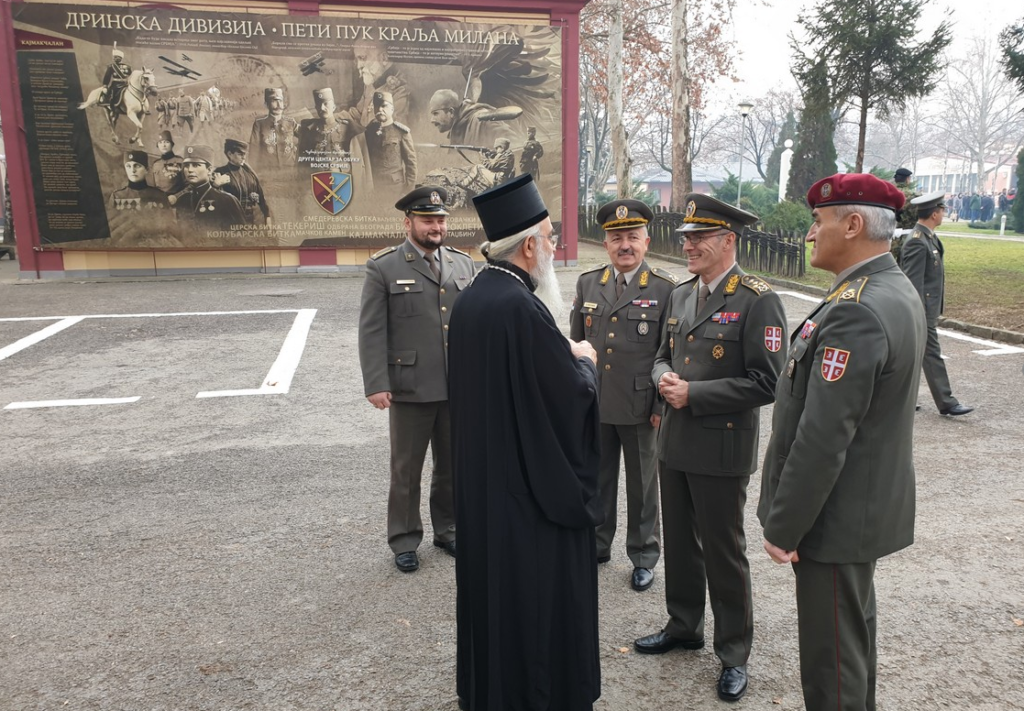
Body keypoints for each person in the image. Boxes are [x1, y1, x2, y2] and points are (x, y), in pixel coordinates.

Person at [757, 172, 926, 711]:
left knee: (832, 669)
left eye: (818, 221)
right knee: (851, 647)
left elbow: (823, 437)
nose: (809, 234)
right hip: (856, 511)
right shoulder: (889, 288)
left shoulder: (857, 308)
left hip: (833, 518)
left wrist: (784, 525)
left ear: (852, 225)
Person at [448, 173, 602, 711]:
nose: (554, 250)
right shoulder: (521, 309)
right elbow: (563, 402)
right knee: (533, 607)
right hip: (528, 505)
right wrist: (583, 365)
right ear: (530, 245)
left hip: (486, 490)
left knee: (495, 605)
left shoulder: (472, 299)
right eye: (551, 239)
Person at [634, 194, 786, 703]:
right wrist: (664, 378)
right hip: (674, 441)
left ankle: (735, 653)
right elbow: (659, 356)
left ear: (728, 241)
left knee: (724, 552)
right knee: (678, 543)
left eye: (699, 237)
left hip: (721, 449)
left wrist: (694, 393)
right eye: (686, 238)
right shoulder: (680, 294)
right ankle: (683, 626)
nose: (689, 245)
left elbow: (767, 382)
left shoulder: (757, 298)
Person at [357, 185, 475, 573]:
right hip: (409, 386)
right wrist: (376, 382)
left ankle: (449, 529)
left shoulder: (463, 264)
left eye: (440, 219)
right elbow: (372, 330)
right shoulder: (384, 266)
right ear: (409, 222)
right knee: (407, 468)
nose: (435, 226)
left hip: (457, 385)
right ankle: (405, 538)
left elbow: (475, 324)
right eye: (427, 219)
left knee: (453, 466)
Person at [569, 199, 679, 592]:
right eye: (617, 238)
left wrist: (659, 405)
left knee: (644, 485)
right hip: (596, 402)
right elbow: (576, 344)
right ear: (606, 242)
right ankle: (597, 545)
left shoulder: (666, 289)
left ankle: (644, 555)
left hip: (640, 405)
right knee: (596, 479)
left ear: (647, 242)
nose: (624, 245)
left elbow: (669, 352)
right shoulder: (588, 283)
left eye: (632, 237)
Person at [900, 191, 974, 416]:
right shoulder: (917, 242)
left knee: (910, 355)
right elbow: (912, 283)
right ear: (934, 213)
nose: (944, 214)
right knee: (931, 354)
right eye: (942, 210)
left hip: (926, 309)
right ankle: (947, 403)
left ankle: (899, 400)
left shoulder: (928, 237)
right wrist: (918, 313)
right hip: (920, 310)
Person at [170, 144, 245, 232]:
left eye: (195, 165)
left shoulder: (227, 200)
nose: (189, 170)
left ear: (209, 170)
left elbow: (241, 238)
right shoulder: (182, 200)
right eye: (186, 165)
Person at [363, 90, 417, 197]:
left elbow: (411, 164)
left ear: (392, 109)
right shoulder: (369, 130)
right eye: (377, 106)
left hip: (395, 189)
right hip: (374, 188)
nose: (380, 109)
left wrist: (407, 191)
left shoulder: (401, 132)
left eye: (384, 106)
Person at [296, 88, 362, 173]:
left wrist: (341, 168)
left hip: (341, 178)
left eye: (326, 103)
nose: (322, 108)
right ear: (316, 108)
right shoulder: (309, 131)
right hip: (317, 179)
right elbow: (303, 163)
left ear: (334, 107)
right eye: (319, 105)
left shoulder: (347, 128)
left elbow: (356, 159)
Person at [427, 89, 514, 149]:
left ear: (451, 112)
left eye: (435, 113)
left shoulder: (481, 119)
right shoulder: (457, 127)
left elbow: (515, 142)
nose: (432, 120)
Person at [212, 139, 270, 226]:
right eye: (240, 154)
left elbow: (261, 198)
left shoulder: (250, 174)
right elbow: (210, 198)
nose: (244, 157)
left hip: (250, 222)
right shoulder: (220, 172)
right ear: (230, 154)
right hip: (229, 221)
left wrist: (267, 218)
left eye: (244, 154)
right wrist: (215, 185)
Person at [248, 88, 299, 172]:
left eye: (281, 101)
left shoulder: (291, 122)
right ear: (266, 104)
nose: (278, 105)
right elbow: (253, 153)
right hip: (268, 174)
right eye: (274, 101)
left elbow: (307, 136)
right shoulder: (259, 124)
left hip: (290, 174)